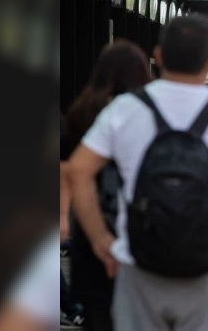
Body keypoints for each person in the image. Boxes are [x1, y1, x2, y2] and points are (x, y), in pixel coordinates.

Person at [68, 15, 208, 331]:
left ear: (159, 56)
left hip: (137, 264)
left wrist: (100, 239)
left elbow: (78, 171)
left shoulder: (125, 108)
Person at [62, 39, 151, 331]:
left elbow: (67, 167)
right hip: (135, 226)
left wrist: (64, 216)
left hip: (89, 223)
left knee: (98, 312)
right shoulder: (146, 113)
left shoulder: (81, 110)